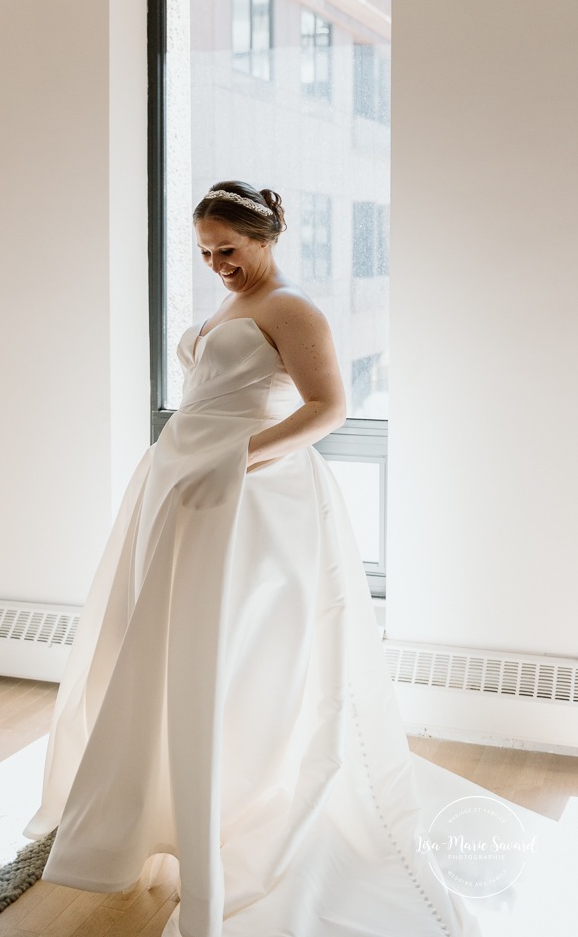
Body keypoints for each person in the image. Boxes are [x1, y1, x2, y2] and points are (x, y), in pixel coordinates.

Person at [25, 181, 484, 935]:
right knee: (164, 649)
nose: (216, 265)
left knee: (235, 658)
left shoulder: (292, 307)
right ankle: (161, 814)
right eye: (205, 252)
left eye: (227, 250)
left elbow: (326, 408)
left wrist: (237, 460)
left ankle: (232, 812)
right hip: (183, 488)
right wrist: (190, 468)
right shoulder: (229, 305)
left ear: (265, 238)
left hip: (251, 496)